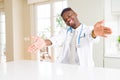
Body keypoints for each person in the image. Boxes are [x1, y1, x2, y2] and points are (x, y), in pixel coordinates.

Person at [28, 7, 112, 67]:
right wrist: (44, 42)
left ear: (75, 14)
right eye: (65, 19)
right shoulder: (65, 32)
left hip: (85, 69)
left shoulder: (88, 29)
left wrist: (94, 33)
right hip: (67, 68)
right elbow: (56, 39)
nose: (67, 19)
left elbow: (92, 38)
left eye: (69, 15)